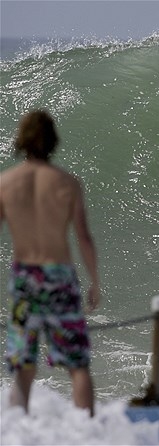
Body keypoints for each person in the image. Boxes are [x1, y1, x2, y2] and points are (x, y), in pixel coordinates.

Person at [0, 110, 100, 417]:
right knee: (77, 365)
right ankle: (88, 434)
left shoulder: (5, 182)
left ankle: (18, 432)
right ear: (53, 141)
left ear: (22, 140)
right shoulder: (68, 183)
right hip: (59, 276)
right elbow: (83, 236)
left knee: (23, 366)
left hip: (24, 278)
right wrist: (95, 281)